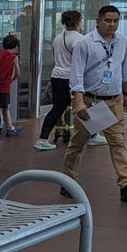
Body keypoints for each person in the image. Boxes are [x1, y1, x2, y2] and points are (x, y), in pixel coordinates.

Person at [64, 5, 127, 202]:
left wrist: (126, 93)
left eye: (116, 21)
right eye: (108, 20)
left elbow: (124, 70)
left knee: (117, 142)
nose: (112, 25)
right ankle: (67, 180)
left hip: (113, 100)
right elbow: (76, 75)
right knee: (78, 143)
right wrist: (79, 101)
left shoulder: (121, 42)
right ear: (98, 21)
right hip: (90, 102)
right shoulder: (85, 44)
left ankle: (126, 184)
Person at [35, 10, 84, 151]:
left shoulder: (58, 37)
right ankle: (93, 136)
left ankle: (43, 138)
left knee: (57, 108)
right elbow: (79, 60)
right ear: (78, 22)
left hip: (57, 75)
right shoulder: (79, 39)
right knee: (85, 105)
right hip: (72, 78)